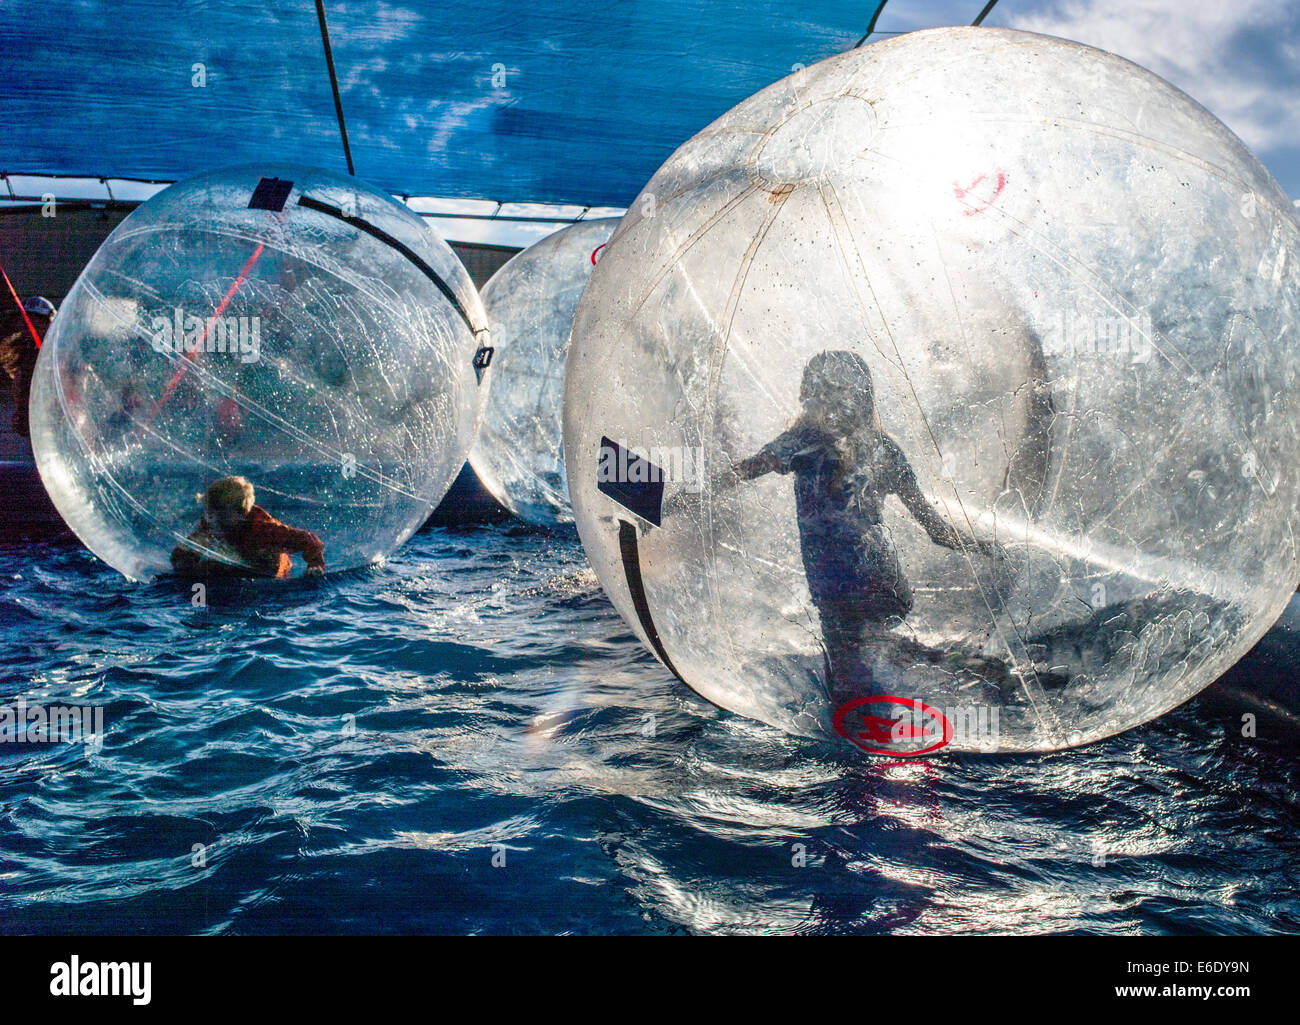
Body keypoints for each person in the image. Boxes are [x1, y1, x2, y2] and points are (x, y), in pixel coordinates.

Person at [730, 350, 999, 700]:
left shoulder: (800, 444)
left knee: (852, 678)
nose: (806, 399)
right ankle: (965, 665)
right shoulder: (885, 448)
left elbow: (738, 473)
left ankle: (959, 668)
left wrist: (677, 502)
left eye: (812, 391)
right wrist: (985, 547)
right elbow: (935, 531)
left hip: (838, 588)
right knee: (873, 658)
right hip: (885, 584)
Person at [171, 475, 325, 579]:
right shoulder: (210, 525)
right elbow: (179, 556)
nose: (211, 518)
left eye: (219, 513)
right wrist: (185, 562)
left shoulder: (264, 530)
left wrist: (314, 565)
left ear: (241, 513)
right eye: (208, 511)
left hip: (267, 573)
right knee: (211, 567)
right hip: (239, 562)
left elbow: (309, 540)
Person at [0, 296, 56, 437]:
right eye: (24, 320)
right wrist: (21, 410)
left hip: (53, 423)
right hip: (32, 426)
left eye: (32, 320)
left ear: (47, 322)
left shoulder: (59, 352)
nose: (25, 325)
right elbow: (18, 383)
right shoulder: (21, 350)